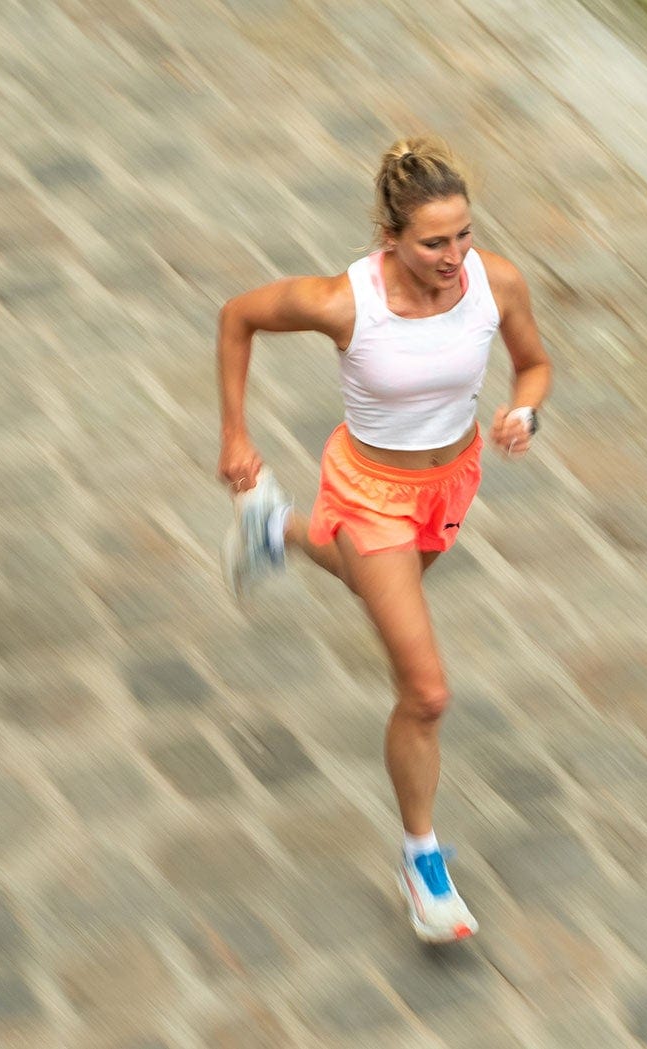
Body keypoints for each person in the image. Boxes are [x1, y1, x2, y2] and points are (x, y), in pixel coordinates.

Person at [215, 137, 553, 944]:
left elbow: (534, 364)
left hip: (450, 483)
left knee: (373, 581)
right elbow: (238, 317)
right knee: (428, 691)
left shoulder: (494, 280)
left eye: (464, 234)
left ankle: (280, 528)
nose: (455, 255)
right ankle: (421, 859)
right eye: (435, 241)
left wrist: (525, 410)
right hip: (370, 494)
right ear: (391, 235)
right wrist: (235, 432)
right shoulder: (345, 301)